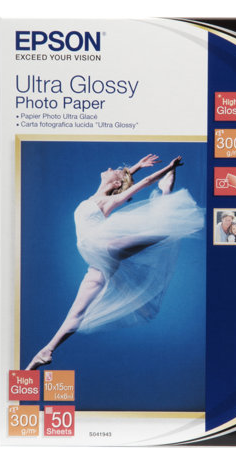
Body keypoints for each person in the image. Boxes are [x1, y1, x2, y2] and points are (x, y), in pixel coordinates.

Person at [26, 154, 203, 370]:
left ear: (117, 183)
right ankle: (47, 350)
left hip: (105, 247)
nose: (110, 167)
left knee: (163, 230)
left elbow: (145, 182)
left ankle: (166, 191)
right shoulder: (96, 197)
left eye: (116, 171)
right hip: (98, 261)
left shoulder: (108, 201)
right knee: (76, 313)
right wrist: (137, 166)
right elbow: (120, 180)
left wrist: (168, 168)